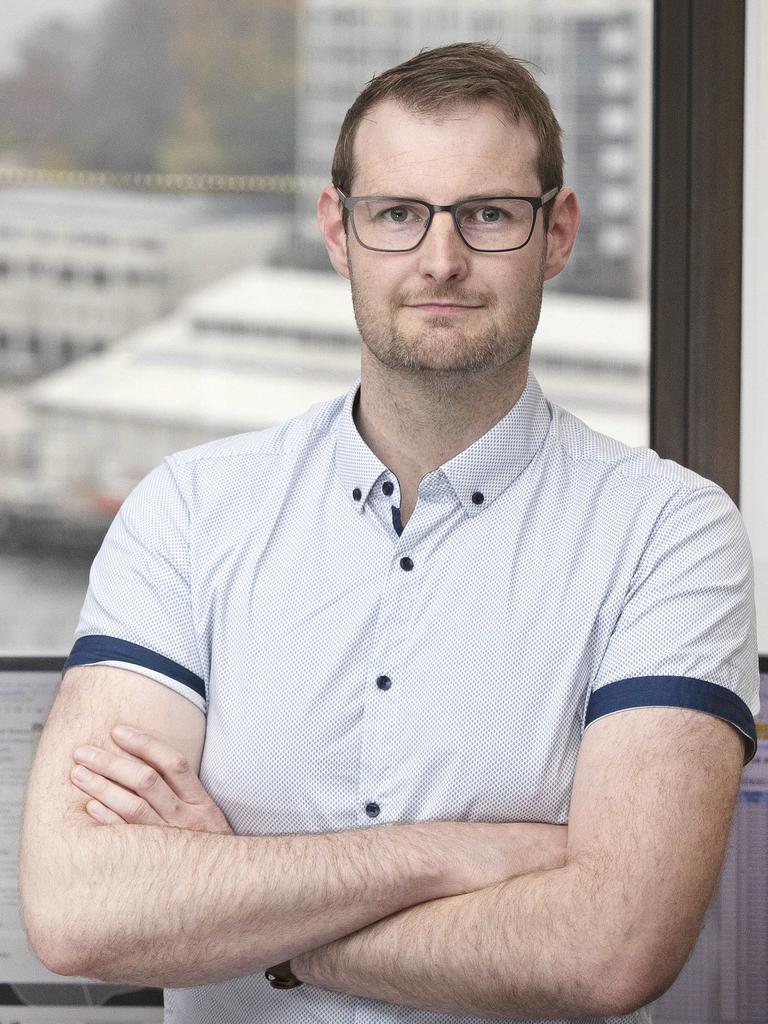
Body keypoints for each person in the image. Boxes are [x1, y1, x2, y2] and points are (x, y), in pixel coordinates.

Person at [20, 41, 759, 1024]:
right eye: (398, 214)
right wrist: (466, 854)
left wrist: (241, 902)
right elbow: (78, 910)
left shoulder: (669, 534)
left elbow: (611, 948)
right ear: (340, 230)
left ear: (559, 231)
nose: (440, 259)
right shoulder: (191, 510)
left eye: (487, 214)